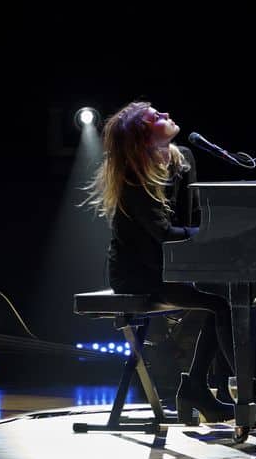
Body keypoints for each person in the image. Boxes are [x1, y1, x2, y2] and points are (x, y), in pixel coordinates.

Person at [85, 100, 236, 423]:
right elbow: (163, 233)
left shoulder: (183, 158)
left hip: (169, 265)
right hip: (138, 272)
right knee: (221, 305)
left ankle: (200, 386)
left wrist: (213, 240)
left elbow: (190, 217)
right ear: (143, 135)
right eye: (156, 116)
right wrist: (212, 234)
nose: (166, 114)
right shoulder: (132, 176)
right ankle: (232, 389)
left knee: (228, 296)